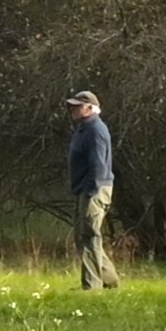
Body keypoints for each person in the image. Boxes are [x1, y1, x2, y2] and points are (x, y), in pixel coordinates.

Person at [65, 90, 119, 289]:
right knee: (85, 236)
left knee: (89, 236)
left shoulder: (96, 130)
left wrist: (90, 191)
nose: (72, 109)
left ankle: (92, 285)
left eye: (77, 106)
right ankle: (110, 281)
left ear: (90, 108)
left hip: (94, 190)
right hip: (86, 190)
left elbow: (98, 165)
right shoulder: (84, 129)